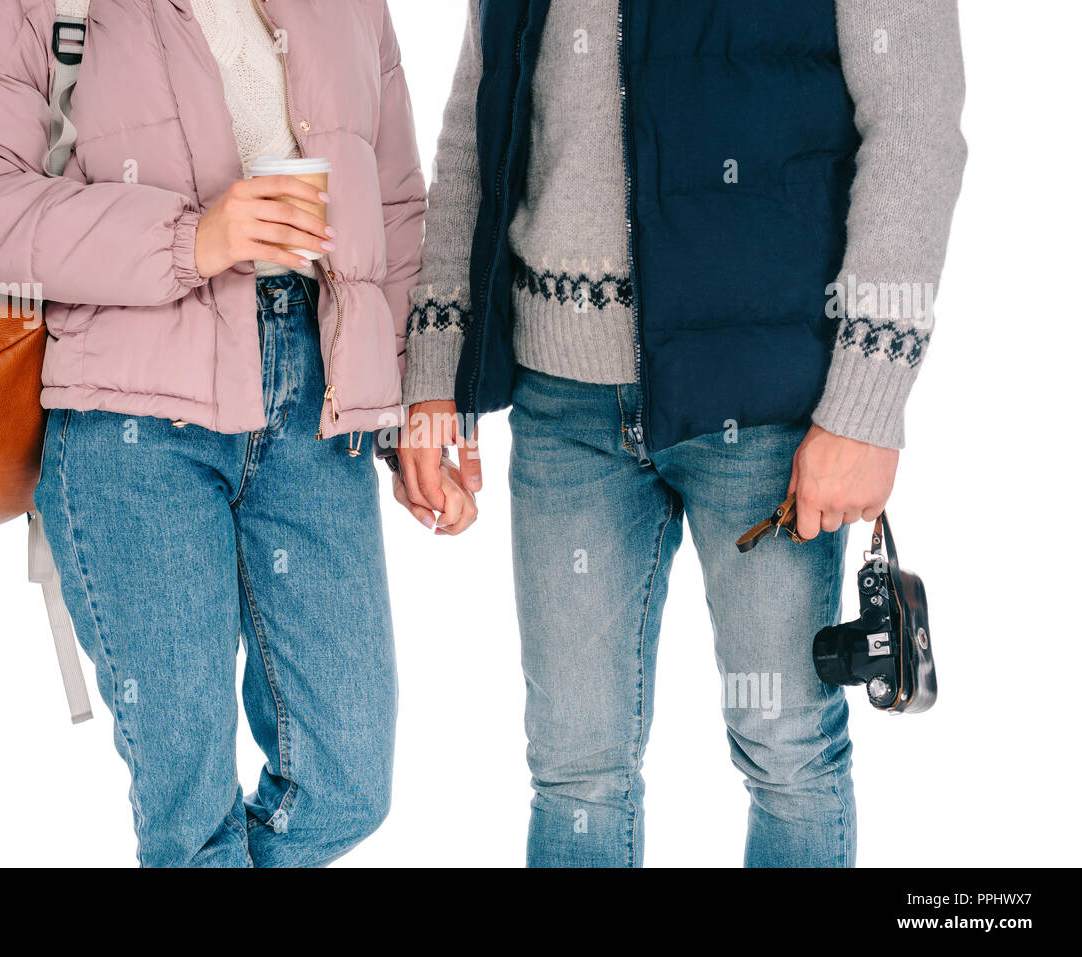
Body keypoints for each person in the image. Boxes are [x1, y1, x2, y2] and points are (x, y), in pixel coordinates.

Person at [395, 0, 966, 867]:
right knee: (575, 771)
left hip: (769, 410)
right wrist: (438, 367)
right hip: (563, 404)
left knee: (787, 753)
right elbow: (477, 117)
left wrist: (867, 402)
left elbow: (915, 122)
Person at [0, 0, 441, 867]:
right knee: (191, 821)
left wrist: (416, 403)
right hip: (132, 414)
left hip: (317, 404)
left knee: (347, 782)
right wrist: (189, 239)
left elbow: (395, 203)